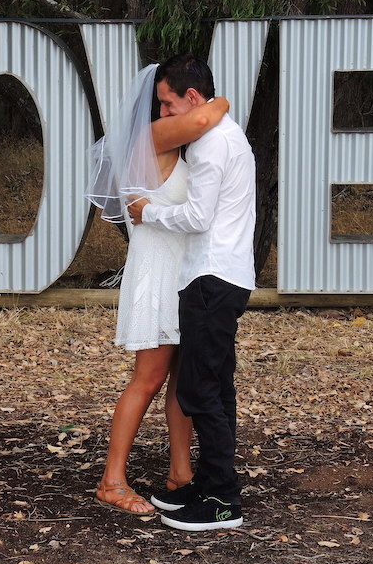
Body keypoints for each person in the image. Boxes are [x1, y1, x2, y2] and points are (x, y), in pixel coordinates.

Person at [87, 64, 230, 515]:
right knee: (147, 378)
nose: (167, 109)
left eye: (171, 103)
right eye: (163, 102)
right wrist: (220, 102)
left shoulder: (173, 138)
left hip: (182, 270)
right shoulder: (154, 135)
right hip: (157, 270)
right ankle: (111, 481)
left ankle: (181, 473)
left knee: (181, 380)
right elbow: (206, 117)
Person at [128, 53, 256, 531]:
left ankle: (222, 502)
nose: (163, 116)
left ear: (193, 99)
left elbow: (198, 218)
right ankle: (207, 484)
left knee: (200, 390)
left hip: (209, 277)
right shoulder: (230, 134)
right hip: (228, 273)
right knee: (215, 388)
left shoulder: (207, 145)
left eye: (167, 105)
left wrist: (149, 213)